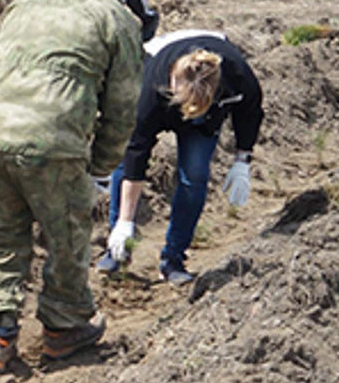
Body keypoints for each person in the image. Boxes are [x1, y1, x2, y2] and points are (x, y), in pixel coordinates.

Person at [0, 0, 142, 374]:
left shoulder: (21, 5)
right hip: (54, 142)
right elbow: (123, 105)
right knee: (67, 237)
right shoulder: (115, 17)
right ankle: (64, 331)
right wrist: (100, 166)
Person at [98, 31, 263, 284]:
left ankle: (173, 258)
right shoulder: (150, 89)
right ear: (173, 83)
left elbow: (250, 113)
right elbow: (135, 154)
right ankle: (118, 246)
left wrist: (242, 161)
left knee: (194, 175)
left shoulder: (237, 76)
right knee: (125, 164)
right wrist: (124, 221)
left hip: (206, 120)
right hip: (159, 94)